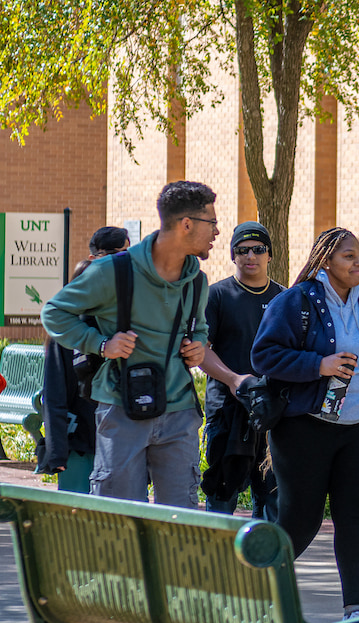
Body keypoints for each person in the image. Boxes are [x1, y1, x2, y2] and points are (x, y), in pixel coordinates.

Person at [251, 227, 359, 623]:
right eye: (348, 257)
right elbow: (264, 355)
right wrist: (317, 365)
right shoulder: (296, 302)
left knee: (356, 522)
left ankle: (355, 614)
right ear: (325, 261)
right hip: (305, 428)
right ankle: (255, 599)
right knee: (299, 521)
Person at [42, 181, 214, 507]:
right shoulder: (113, 271)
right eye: (212, 223)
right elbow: (54, 313)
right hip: (121, 410)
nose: (216, 233)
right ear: (186, 224)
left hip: (180, 414)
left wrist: (198, 346)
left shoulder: (197, 280)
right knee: (118, 522)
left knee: (181, 522)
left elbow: (200, 329)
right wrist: (101, 343)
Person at [198, 221, 284, 519]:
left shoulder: (284, 298)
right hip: (227, 412)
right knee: (222, 496)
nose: (251, 256)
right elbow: (199, 350)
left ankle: (261, 565)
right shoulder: (216, 296)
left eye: (258, 249)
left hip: (273, 415)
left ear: (269, 255)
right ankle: (217, 565)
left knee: (272, 500)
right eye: (242, 250)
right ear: (233, 255)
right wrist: (234, 380)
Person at [39, 226, 131, 491]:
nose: (121, 264)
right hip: (81, 444)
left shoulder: (129, 317)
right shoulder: (68, 327)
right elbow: (54, 394)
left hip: (119, 440)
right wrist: (57, 451)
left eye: (127, 256)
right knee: (78, 522)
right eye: (115, 255)